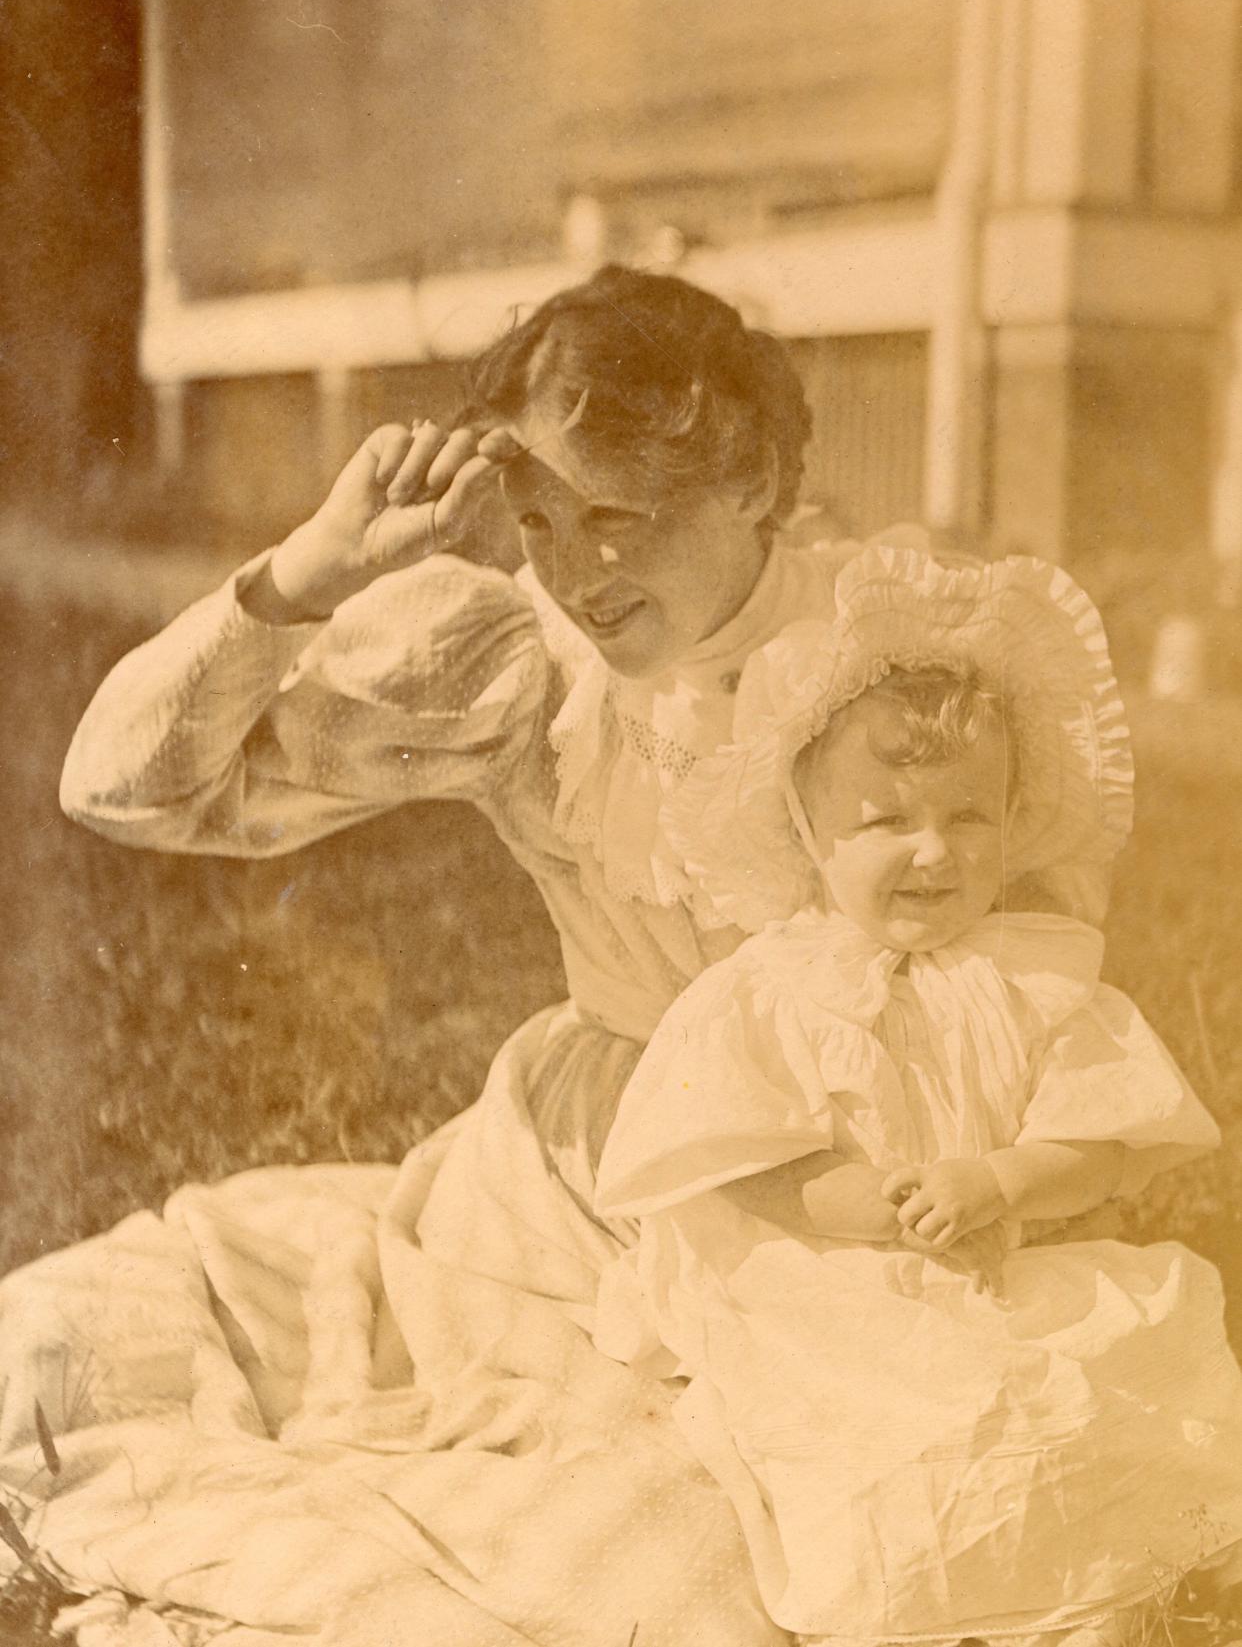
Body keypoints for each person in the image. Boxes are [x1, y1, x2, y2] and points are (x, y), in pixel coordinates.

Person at [0, 265, 955, 1647]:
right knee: (69, 1346)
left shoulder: (890, 646)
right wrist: (304, 577)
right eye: (541, 519)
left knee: (770, 1542)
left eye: (617, 517)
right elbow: (124, 788)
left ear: (751, 483)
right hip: (580, 1193)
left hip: (851, 1196)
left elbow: (1030, 929)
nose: (574, 567)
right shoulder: (521, 665)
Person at [593, 544, 1242, 1647]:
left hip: (1005, 1263)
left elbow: (1101, 1136)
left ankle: (1095, 1573)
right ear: (809, 834)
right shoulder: (772, 988)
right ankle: (926, 1579)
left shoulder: (1036, 979)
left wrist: (1003, 1178)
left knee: (1121, 1363)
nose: (934, 851)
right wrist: (857, 1203)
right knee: (878, 1414)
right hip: (829, 1273)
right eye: (889, 821)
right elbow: (736, 1158)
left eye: (969, 817)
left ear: (1013, 814)